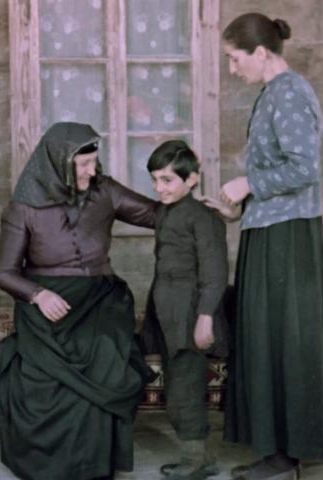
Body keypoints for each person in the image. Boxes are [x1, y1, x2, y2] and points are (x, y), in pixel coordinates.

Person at [204, 13, 323, 480]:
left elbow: (305, 169)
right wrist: (238, 208)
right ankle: (282, 451)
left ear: (261, 53)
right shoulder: (274, 93)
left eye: (234, 59)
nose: (231, 69)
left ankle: (288, 456)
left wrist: (247, 183)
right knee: (269, 339)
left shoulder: (289, 92)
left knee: (284, 340)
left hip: (288, 238)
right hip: (270, 231)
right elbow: (281, 174)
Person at [0, 121, 160, 480]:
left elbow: (158, 215)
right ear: (59, 162)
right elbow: (4, 272)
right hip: (46, 299)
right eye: (83, 164)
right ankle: (51, 466)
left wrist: (204, 211)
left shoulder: (106, 191)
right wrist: (38, 294)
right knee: (45, 370)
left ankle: (93, 466)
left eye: (93, 162)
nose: (92, 171)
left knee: (102, 348)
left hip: (101, 297)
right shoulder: (23, 207)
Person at [139, 140, 229, 480]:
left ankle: (196, 461)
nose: (158, 188)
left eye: (167, 180)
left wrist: (205, 318)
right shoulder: (165, 211)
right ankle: (203, 457)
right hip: (166, 312)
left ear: (192, 179)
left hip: (190, 314)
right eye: (154, 180)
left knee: (185, 390)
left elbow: (215, 273)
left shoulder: (203, 218)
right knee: (176, 384)